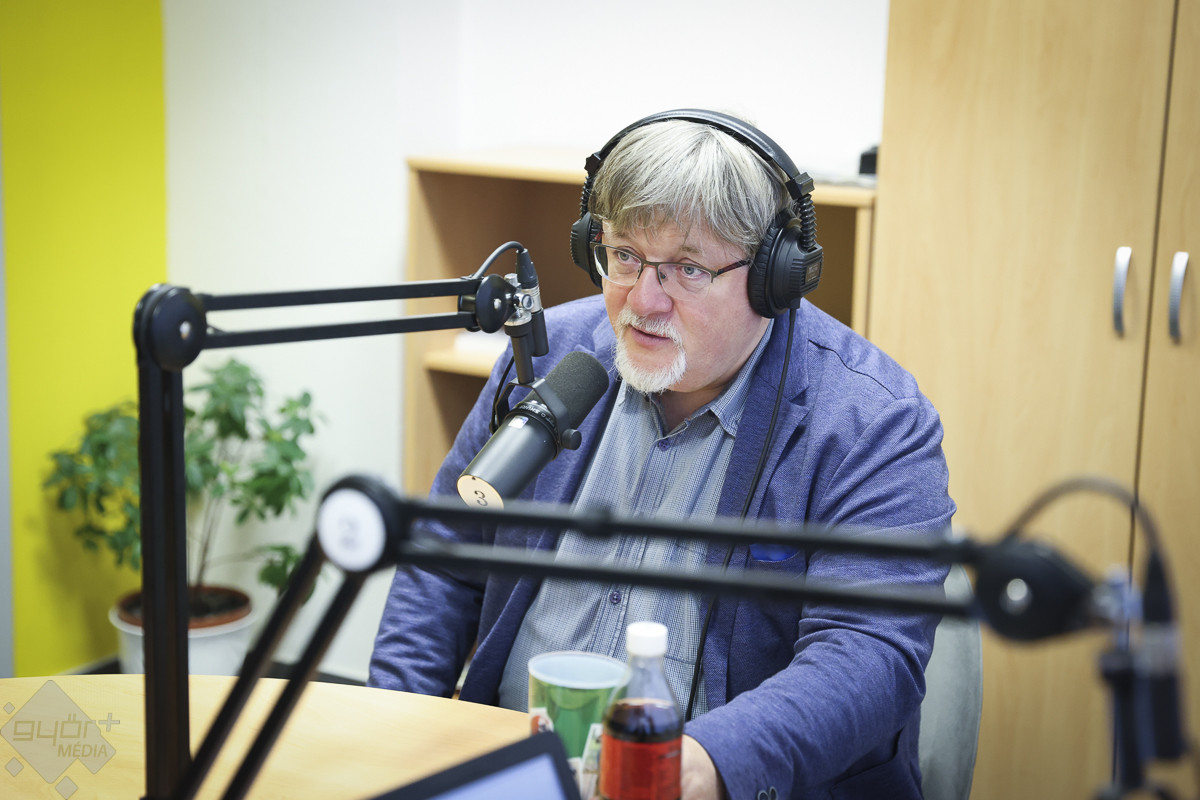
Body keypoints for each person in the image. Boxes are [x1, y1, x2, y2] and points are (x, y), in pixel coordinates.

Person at [369, 110, 955, 800]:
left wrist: (705, 764)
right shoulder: (549, 356)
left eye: (688, 269)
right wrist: (396, 732)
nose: (643, 301)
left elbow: (868, 654)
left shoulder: (873, 421)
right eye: (624, 256)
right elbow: (444, 555)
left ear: (773, 278)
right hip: (517, 771)